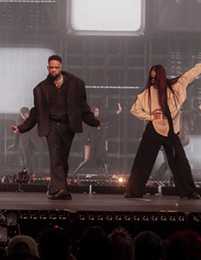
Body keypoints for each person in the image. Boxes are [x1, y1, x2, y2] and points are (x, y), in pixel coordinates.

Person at [124, 49, 201, 199]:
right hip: (154, 130)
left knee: (180, 162)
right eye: (151, 79)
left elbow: (190, 74)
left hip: (172, 132)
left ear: (161, 77)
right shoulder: (147, 93)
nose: (153, 81)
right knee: (142, 161)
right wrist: (149, 116)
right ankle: (132, 191)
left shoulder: (175, 87)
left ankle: (188, 192)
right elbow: (134, 109)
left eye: (155, 78)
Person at [12, 54, 100, 200]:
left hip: (68, 126)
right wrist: (22, 128)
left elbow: (83, 106)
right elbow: (36, 111)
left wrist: (93, 121)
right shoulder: (41, 88)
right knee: (56, 157)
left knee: (63, 159)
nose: (53, 70)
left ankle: (55, 188)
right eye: (51, 68)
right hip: (51, 126)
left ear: (61, 68)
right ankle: (62, 190)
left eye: (56, 67)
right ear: (47, 68)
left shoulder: (76, 84)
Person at [73, 103, 122, 176]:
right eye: (96, 111)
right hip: (88, 141)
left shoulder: (99, 119)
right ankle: (74, 174)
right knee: (86, 160)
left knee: (102, 158)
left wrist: (117, 112)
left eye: (98, 111)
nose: (97, 113)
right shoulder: (89, 120)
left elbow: (107, 118)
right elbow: (86, 131)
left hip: (97, 142)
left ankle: (106, 175)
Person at [10, 107, 45, 176]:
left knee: (31, 158)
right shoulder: (18, 120)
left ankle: (26, 170)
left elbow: (40, 130)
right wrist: (14, 144)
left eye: (25, 116)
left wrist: (44, 142)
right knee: (28, 157)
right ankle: (30, 174)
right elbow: (17, 133)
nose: (24, 117)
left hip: (34, 141)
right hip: (25, 142)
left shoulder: (35, 118)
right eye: (23, 116)